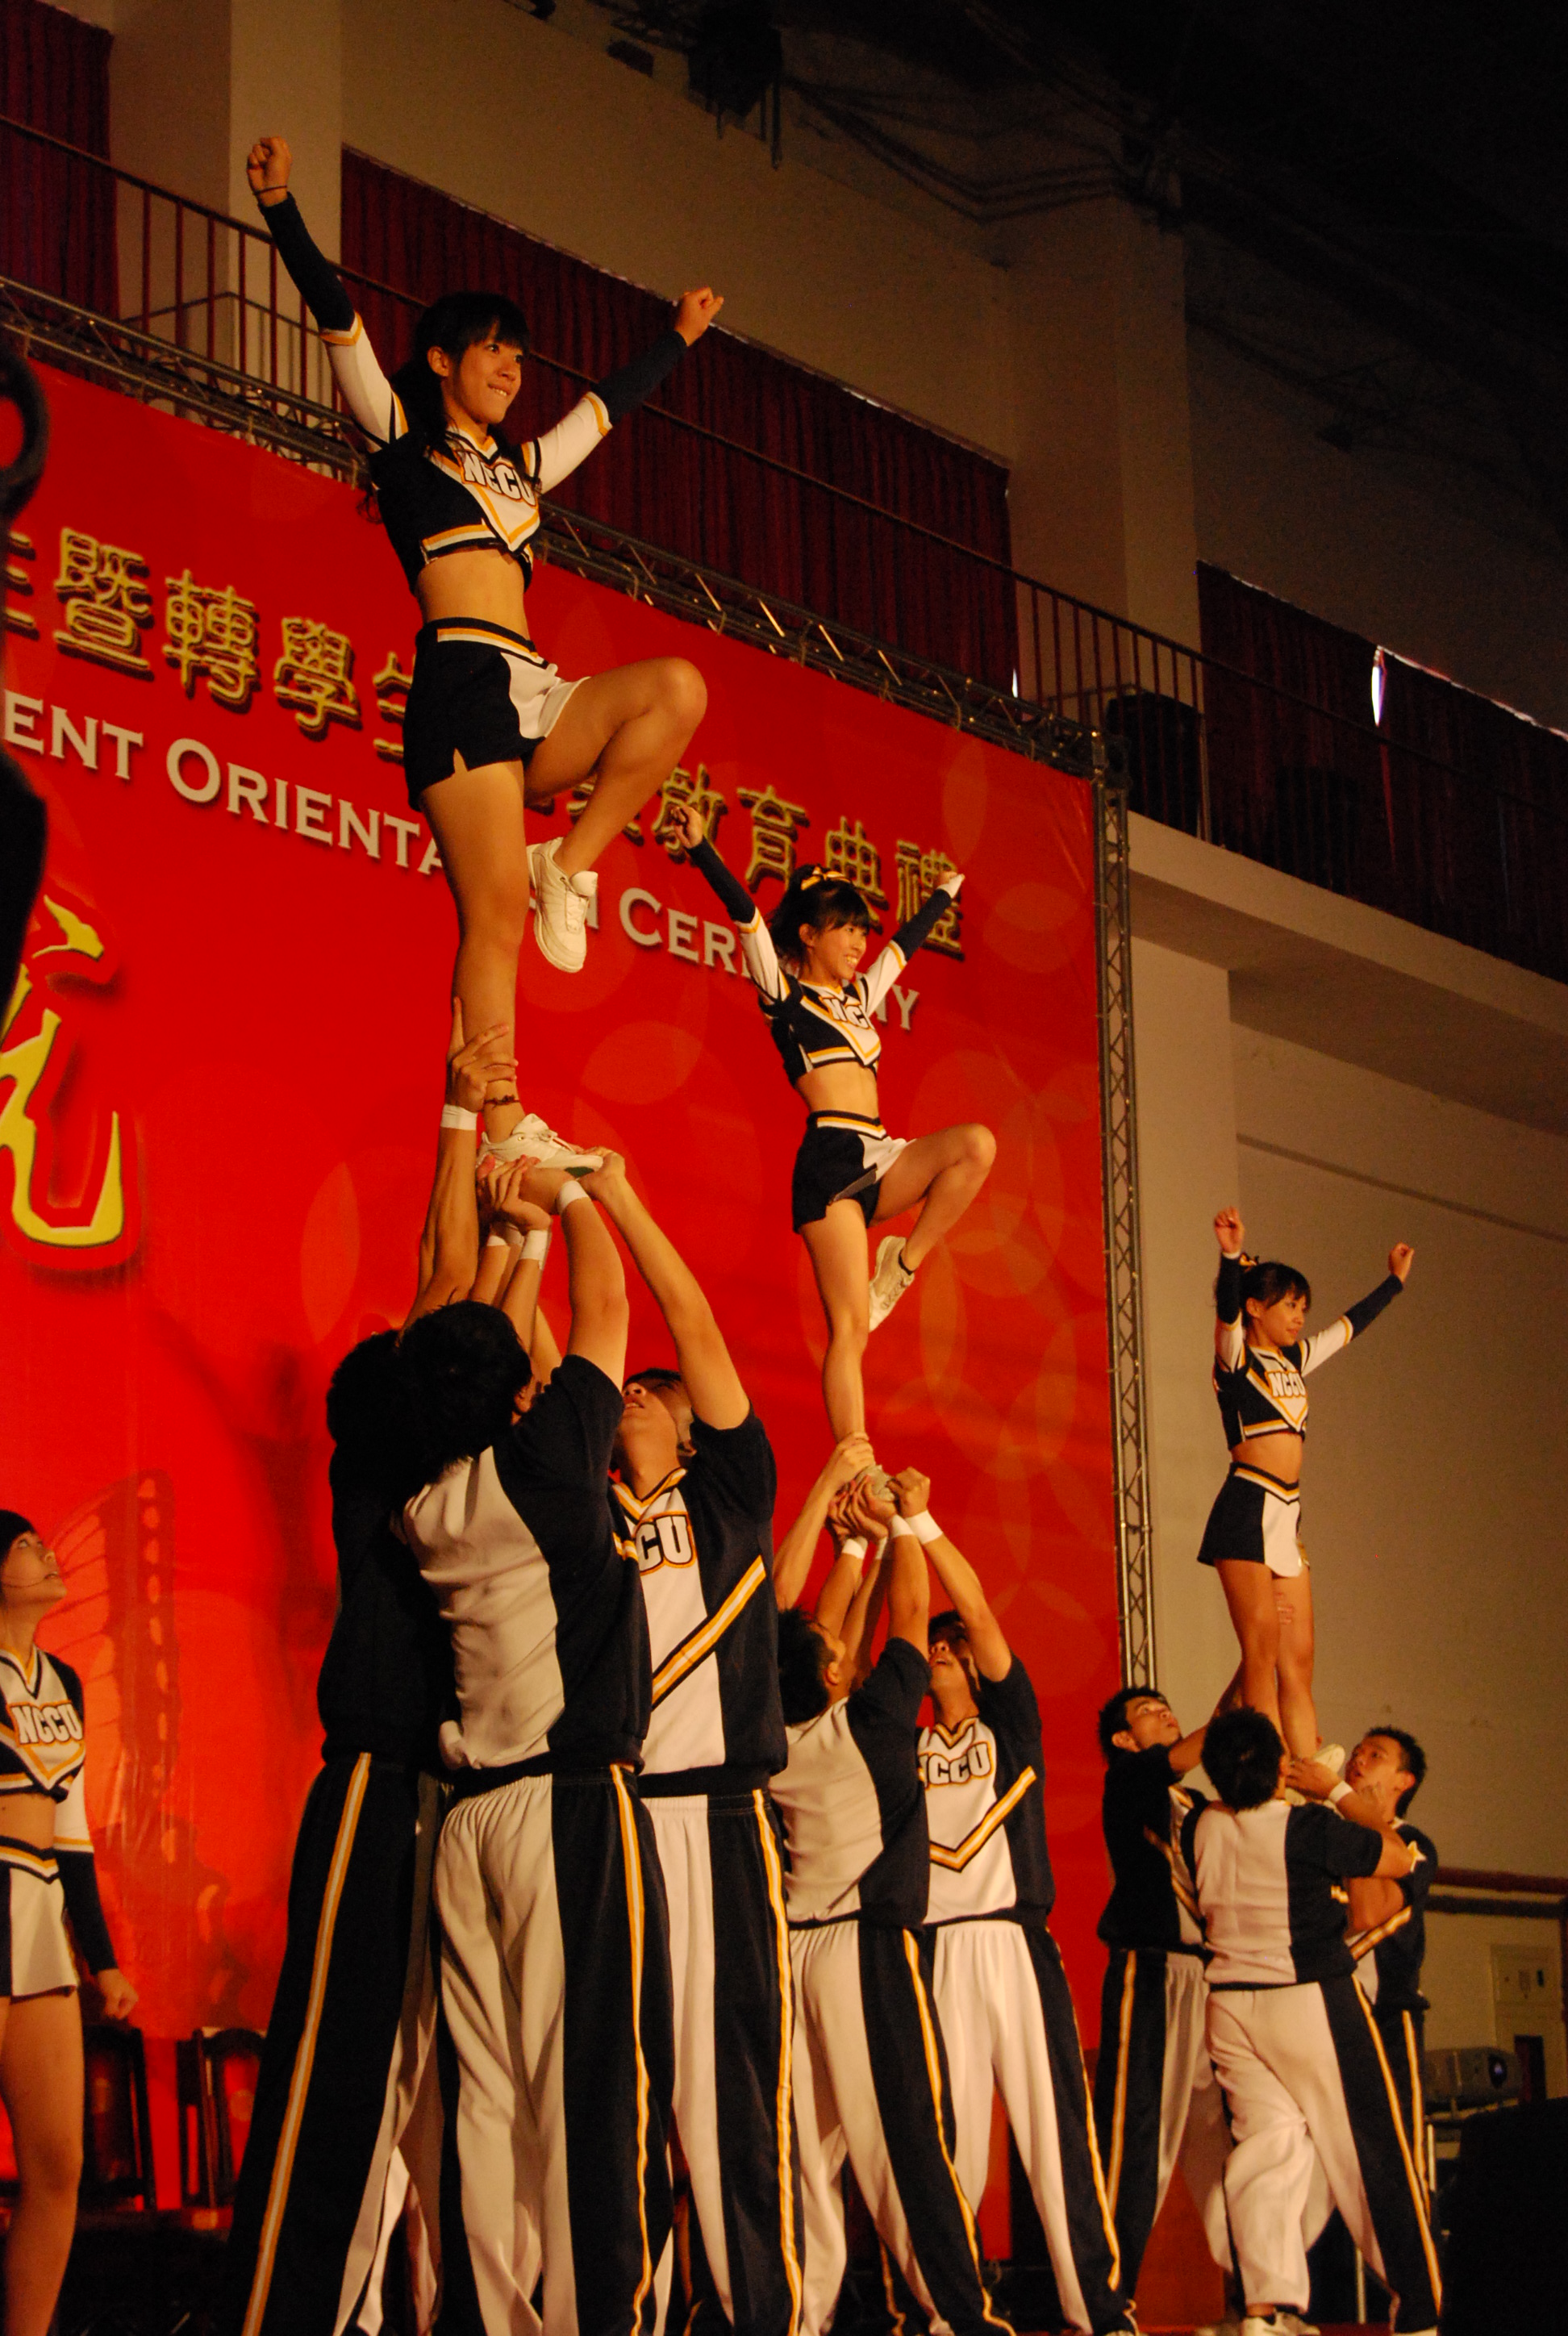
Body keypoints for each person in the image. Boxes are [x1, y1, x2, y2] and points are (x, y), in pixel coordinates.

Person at [246, 133, 719, 1153]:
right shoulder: (401, 442)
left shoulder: (521, 468)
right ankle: (499, 1116)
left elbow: (603, 412)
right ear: (442, 360)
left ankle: (571, 865)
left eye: (519, 354)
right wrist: (281, 205)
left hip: (533, 685)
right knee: (493, 918)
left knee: (677, 689)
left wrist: (677, 338)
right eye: (494, 349)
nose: (513, 367)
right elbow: (337, 318)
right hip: (461, 683)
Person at [221, 1005, 517, 2336]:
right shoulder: (383, 1457)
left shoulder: (456, 1462)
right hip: (372, 1786)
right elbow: (441, 1278)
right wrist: (460, 1122)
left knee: (440, 2091)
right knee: (329, 2070)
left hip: (453, 1800)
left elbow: (464, 1305)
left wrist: (508, 1219)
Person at [397, 1157, 673, 2336]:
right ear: (515, 1392)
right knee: (589, 2090)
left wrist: (515, 1242)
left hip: (471, 1821)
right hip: (564, 1806)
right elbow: (608, 1312)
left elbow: (462, 1358)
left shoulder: (421, 1499)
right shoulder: (547, 1464)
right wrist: (568, 1194)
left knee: (489, 2102)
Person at [585, 1152, 801, 2336]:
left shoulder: (727, 1499)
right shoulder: (591, 1513)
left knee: (728, 2099)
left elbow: (695, 1324)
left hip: (716, 1820)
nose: (631, 1396)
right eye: (622, 1391)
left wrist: (617, 1199)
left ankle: (755, 2314)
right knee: (624, 2092)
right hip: (615, 1819)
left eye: (650, 1392)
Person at [771, 1474, 1011, 2336]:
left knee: (805, 2160)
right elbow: (909, 1615)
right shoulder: (867, 1726)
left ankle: (799, 2316)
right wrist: (908, 1521)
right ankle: (959, 2316)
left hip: (796, 1954)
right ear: (833, 1671)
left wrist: (851, 1542)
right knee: (905, 2145)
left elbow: (817, 1636)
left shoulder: (773, 1737)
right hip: (864, 1951)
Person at [671, 802, 994, 1438]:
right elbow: (746, 919)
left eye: (860, 931)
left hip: (881, 1150)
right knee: (850, 1329)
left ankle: (901, 1265)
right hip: (830, 1163)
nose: (857, 942)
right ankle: (855, 1454)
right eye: (844, 929)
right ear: (810, 936)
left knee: (977, 1145)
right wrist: (703, 848)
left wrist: (941, 896)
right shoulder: (784, 996)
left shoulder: (859, 998)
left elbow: (902, 949)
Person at [914, 1486, 1132, 2336]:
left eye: (951, 1647)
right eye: (931, 1647)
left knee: (1054, 2132)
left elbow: (975, 1609)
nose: (940, 1652)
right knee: (951, 2140)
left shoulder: (1010, 1725)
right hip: (937, 1949)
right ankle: (951, 2312)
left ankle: (1097, 2311)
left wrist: (923, 1524)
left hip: (1012, 1940)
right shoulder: (906, 1745)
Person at [1184, 1709, 1441, 2336]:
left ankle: (1263, 2309)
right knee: (1368, 2151)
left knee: (1266, 2148)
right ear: (1281, 1767)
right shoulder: (1308, 1826)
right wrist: (1339, 1792)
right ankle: (1419, 2312)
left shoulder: (1200, 1823)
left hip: (1229, 2006)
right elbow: (1395, 1856)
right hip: (1305, 1997)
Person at [1200, 1208, 1413, 1758]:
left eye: (1302, 1308)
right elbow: (1226, 1312)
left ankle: (1308, 1777)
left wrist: (1393, 1283)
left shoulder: (1295, 1360)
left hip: (1287, 1513)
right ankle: (1269, 1775)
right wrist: (1231, 1256)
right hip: (1246, 1508)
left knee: (1297, 1660)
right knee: (1261, 1652)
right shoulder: (1235, 1359)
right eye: (1290, 1305)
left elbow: (1348, 1328)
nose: (1299, 1317)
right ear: (1256, 1308)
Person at [0, 1511, 135, 2336]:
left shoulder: (65, 1681)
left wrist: (103, 1959)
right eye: (25, 1546)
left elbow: (74, 1834)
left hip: (41, 1907)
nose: (49, 1555)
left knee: (59, 2164)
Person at [1091, 1686, 1232, 2314]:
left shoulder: (1197, 1805)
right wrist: (1252, 1662)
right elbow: (1211, 1735)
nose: (1166, 1713)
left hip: (1211, 1975)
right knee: (1136, 2139)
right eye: (1147, 1712)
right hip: (1148, 1970)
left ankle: (1258, 2300)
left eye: (1165, 1705)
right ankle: (1108, 2303)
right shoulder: (1128, 1778)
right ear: (1124, 1739)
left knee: (1229, 2141)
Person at [1337, 1729, 1437, 2184]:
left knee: (1397, 2167)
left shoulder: (1413, 1844)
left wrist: (1363, 1821)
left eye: (1375, 1755)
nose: (1358, 1760)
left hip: (1388, 2019)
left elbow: (1366, 1913)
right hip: (1328, 2014)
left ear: (1403, 1781)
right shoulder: (1324, 1831)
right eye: (1357, 1752)